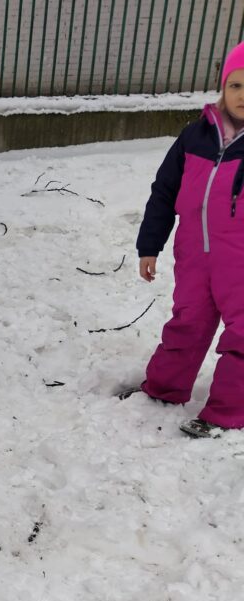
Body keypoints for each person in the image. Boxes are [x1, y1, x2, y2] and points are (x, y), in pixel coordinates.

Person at [126, 41, 244, 438]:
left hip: (240, 262)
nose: (242, 95)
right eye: (236, 85)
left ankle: (227, 412)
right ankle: (163, 389)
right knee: (187, 322)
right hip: (195, 255)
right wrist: (149, 245)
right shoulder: (195, 136)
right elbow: (164, 191)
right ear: (223, 88)